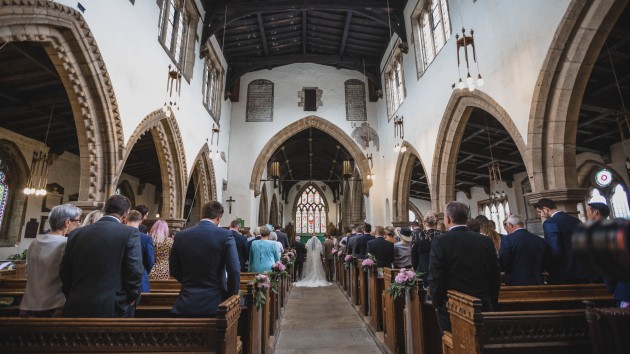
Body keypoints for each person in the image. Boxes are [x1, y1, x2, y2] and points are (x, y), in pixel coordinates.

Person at [60, 194, 143, 318]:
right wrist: (133, 297)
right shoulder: (130, 232)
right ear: (126, 214)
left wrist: (72, 294)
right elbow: (134, 270)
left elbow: (65, 271)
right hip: (113, 306)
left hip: (77, 303)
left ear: (105, 210)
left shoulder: (76, 233)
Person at [428, 201, 500, 334]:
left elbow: (435, 277)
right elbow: (495, 276)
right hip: (482, 303)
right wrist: (491, 302)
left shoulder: (440, 241)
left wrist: (437, 304)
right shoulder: (485, 241)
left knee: (455, 343)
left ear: (448, 218)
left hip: (453, 307)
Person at [169, 201, 240, 317]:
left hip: (185, 304)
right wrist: (230, 297)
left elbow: (174, 269)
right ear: (219, 217)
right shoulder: (225, 235)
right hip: (215, 304)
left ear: (203, 214)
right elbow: (235, 270)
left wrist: (190, 281)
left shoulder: (181, 235)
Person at [20, 204, 82, 317]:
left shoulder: (35, 242)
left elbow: (28, 272)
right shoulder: (66, 243)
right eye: (78, 221)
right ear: (67, 222)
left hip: (28, 305)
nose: (79, 224)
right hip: (53, 306)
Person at [534, 198, 590, 284]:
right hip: (583, 271)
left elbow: (554, 251)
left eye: (539, 212)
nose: (541, 215)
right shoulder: (576, 221)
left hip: (563, 273)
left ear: (545, 209)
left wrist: (549, 269)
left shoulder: (550, 222)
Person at [499, 214, 551, 286]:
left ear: (510, 225)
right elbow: (546, 262)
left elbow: (504, 262)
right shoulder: (539, 240)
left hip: (515, 283)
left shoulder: (508, 240)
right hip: (537, 283)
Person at [126, 210, 154, 293]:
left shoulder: (118, 234)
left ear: (126, 219)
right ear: (140, 221)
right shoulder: (146, 238)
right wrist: (143, 270)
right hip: (140, 279)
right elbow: (150, 261)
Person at [412, 212, 442, 280]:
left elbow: (414, 255)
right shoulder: (442, 235)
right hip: (439, 270)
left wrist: (416, 269)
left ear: (424, 223)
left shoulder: (418, 235)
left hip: (422, 270)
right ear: (436, 222)